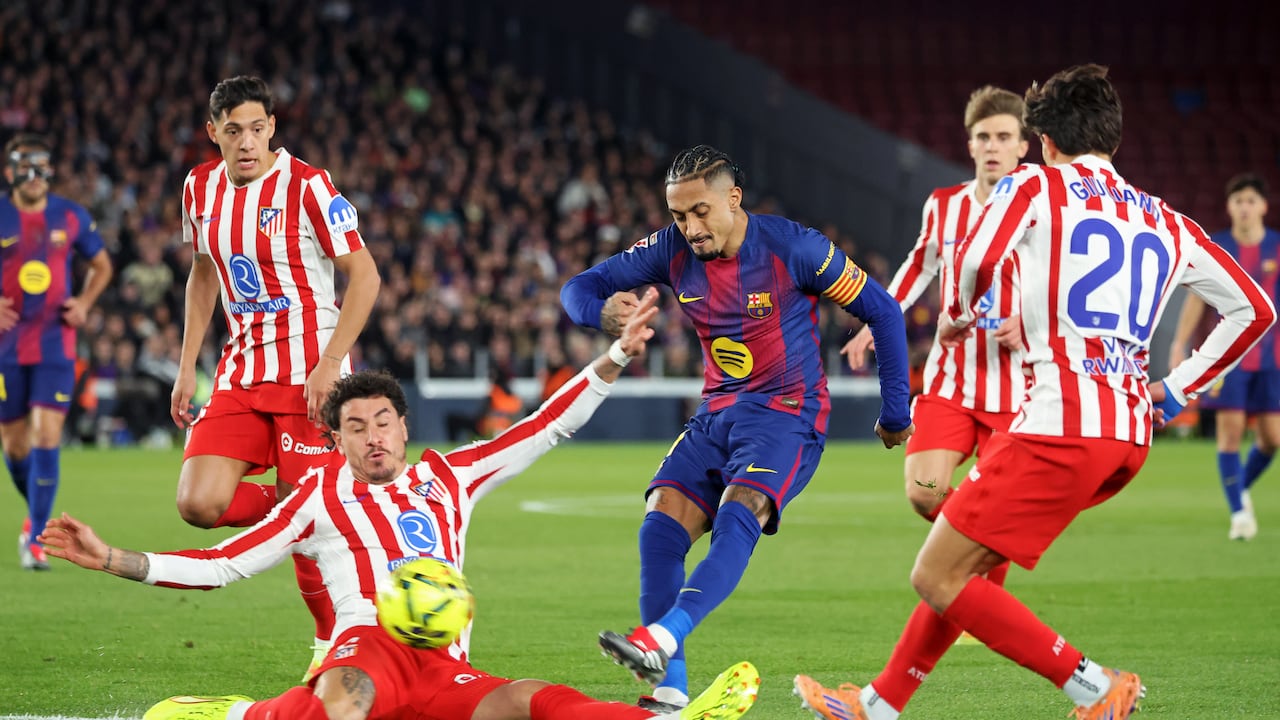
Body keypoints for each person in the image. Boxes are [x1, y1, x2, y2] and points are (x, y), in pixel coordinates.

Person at [793, 64, 1276, 720]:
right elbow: (1256, 309)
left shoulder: (1035, 185)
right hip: (1128, 431)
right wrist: (1178, 386)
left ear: (1043, 142)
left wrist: (979, 306)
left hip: (1062, 422)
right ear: (1114, 138)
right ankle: (877, 706)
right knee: (958, 567)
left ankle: (1095, 687)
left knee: (934, 574)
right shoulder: (1168, 219)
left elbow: (977, 259)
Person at [39, 291, 761, 720]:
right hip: (369, 650)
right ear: (339, 439)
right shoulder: (315, 497)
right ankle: (240, 714)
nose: (372, 437)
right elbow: (222, 566)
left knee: (527, 700)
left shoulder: (450, 478)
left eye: (382, 422)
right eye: (355, 427)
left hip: (443, 666)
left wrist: (615, 358)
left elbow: (545, 425)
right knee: (344, 694)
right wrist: (113, 559)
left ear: (404, 428)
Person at [560, 145, 914, 711]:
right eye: (678, 215)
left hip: (787, 414)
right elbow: (578, 287)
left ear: (733, 196)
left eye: (700, 211)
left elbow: (884, 311)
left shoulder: (794, 247)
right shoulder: (672, 250)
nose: (690, 227)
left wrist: (896, 412)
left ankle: (664, 635)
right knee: (659, 524)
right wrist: (599, 314)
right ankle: (671, 690)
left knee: (739, 511)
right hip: (718, 412)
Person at [171, 75, 380, 671]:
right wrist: (188, 367)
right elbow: (203, 272)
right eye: (232, 131)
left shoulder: (309, 186)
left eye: (257, 129)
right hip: (238, 374)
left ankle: (325, 643)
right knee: (199, 503)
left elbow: (364, 277)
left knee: (310, 536)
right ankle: (312, 501)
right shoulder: (199, 187)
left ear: (272, 129)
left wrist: (331, 364)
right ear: (213, 133)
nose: (246, 143)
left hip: (309, 373)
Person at [842, 87, 1027, 601]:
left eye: (1004, 137)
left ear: (1023, 146)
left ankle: (981, 601)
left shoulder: (1043, 212)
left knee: (995, 506)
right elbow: (919, 267)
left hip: (1019, 384)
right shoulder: (944, 206)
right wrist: (874, 321)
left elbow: (1064, 286)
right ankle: (978, 542)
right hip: (953, 377)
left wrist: (1031, 324)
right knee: (923, 493)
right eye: (984, 137)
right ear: (970, 144)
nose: (993, 146)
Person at [0, 132, 113, 570]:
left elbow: (102, 265)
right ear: (10, 172)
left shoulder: (70, 215)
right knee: (14, 446)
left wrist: (84, 303)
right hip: (7, 347)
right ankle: (36, 519)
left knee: (47, 434)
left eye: (41, 165)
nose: (35, 175)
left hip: (55, 342)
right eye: (25, 166)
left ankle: (37, 534)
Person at [1168, 173, 1279, 541]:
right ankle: (1238, 514)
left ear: (1263, 206)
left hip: (1272, 360)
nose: (1244, 207)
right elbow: (1196, 300)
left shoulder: (1277, 248)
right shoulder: (1220, 246)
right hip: (1232, 356)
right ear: (1229, 207)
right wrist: (1178, 343)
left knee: (1272, 440)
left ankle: (1239, 489)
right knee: (1229, 435)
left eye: (1250, 201)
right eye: (1238, 201)